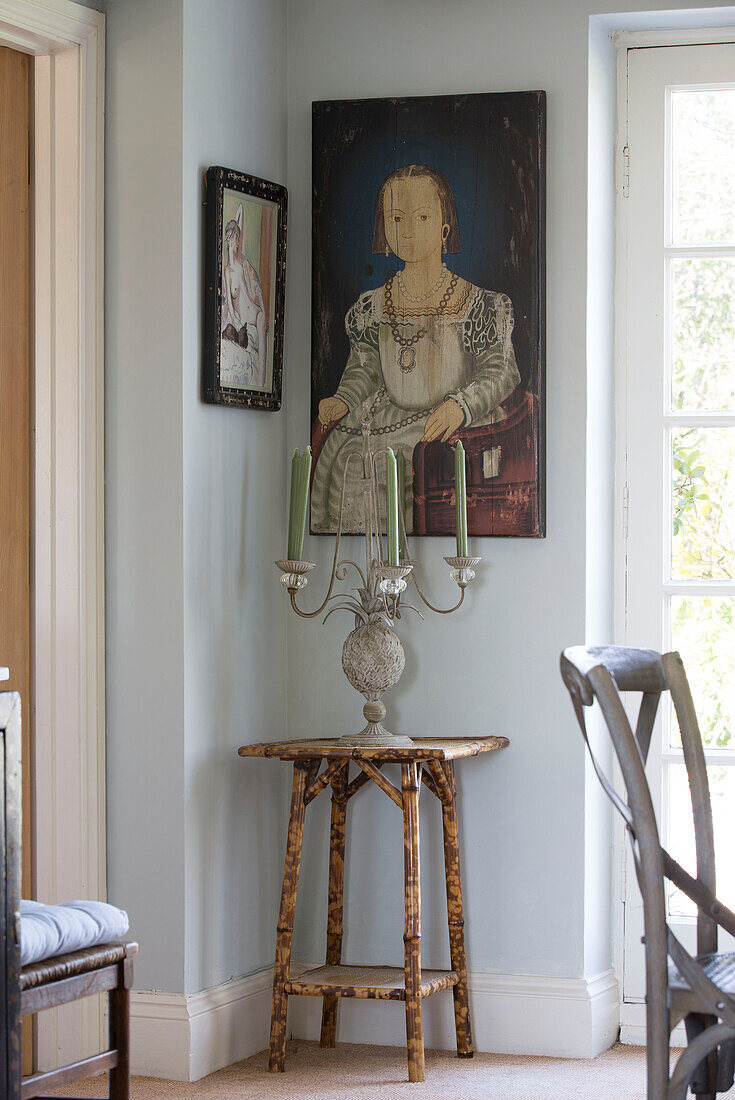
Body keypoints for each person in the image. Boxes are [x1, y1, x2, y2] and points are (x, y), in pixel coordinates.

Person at [311, 164, 521, 533]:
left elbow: (500, 371)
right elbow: (365, 369)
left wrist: (461, 406)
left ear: (444, 228)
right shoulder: (372, 306)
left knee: (412, 469)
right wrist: (344, 398)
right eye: (396, 217)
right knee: (347, 461)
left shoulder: (477, 303)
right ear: (384, 227)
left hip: (447, 425)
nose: (408, 230)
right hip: (387, 419)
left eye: (422, 216)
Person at [221, 203, 267, 387]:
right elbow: (231, 309)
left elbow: (240, 211)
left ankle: (262, 383)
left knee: (262, 358)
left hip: (256, 314)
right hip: (244, 322)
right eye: (231, 238)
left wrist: (238, 212)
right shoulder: (227, 271)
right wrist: (237, 323)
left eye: (236, 238)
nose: (234, 242)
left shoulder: (243, 264)